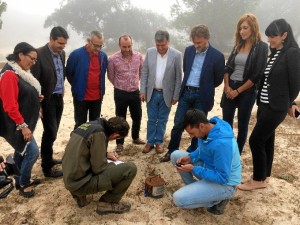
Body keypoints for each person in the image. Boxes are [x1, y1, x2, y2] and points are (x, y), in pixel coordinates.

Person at [238, 19, 300, 191]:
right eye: (268, 37)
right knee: (267, 140)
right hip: (264, 104)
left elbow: (295, 83)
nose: (269, 40)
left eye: (273, 37)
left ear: (284, 35)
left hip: (276, 106)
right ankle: (264, 176)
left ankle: (257, 179)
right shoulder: (275, 53)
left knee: (255, 140)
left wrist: (289, 102)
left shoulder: (293, 53)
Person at [160, 24, 225, 162]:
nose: (196, 45)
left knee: (198, 127)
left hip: (202, 95)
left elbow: (218, 79)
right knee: (178, 123)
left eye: (199, 42)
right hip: (186, 92)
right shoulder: (189, 51)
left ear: (207, 38)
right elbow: (186, 69)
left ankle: (193, 153)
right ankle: (172, 152)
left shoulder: (217, 56)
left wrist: (205, 86)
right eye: (194, 42)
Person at [171, 109, 241, 215]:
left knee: (178, 199)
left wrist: (194, 168)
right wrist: (190, 157)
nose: (191, 136)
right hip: (210, 168)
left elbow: (222, 177)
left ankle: (215, 200)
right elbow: (202, 149)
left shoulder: (221, 145)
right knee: (175, 155)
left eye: (192, 133)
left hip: (225, 184)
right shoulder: (208, 130)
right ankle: (199, 190)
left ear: (201, 126)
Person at [62, 116, 137, 215]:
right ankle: (107, 203)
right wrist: (114, 165)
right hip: (79, 184)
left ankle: (79, 196)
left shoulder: (89, 126)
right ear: (115, 135)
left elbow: (83, 150)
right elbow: (98, 168)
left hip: (69, 179)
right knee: (130, 168)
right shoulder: (99, 134)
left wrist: (105, 154)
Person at [0, 42, 43, 197]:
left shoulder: (19, 72)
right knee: (32, 152)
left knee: (20, 151)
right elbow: (10, 105)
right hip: (16, 123)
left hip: (21, 121)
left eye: (35, 60)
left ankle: (19, 179)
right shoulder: (9, 74)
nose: (33, 62)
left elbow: (21, 92)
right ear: (20, 55)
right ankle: (24, 183)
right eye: (31, 58)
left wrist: (35, 99)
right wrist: (23, 126)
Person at [221, 13, 268, 154]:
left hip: (247, 91)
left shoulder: (262, 47)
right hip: (231, 87)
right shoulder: (237, 46)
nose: (242, 31)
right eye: (240, 28)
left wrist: (238, 91)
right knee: (226, 124)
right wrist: (227, 87)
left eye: (245, 28)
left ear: (253, 28)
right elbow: (227, 67)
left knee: (242, 125)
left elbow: (257, 75)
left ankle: (236, 154)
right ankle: (227, 152)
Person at [31, 26, 69, 178]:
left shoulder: (62, 54)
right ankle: (47, 167)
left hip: (59, 97)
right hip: (46, 99)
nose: (62, 47)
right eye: (60, 43)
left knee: (53, 130)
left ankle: (49, 158)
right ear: (51, 39)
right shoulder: (38, 54)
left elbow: (61, 74)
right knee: (50, 131)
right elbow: (33, 81)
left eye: (64, 44)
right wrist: (38, 104)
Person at [140, 30, 182, 154]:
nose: (160, 48)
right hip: (151, 92)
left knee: (163, 119)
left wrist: (176, 95)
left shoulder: (177, 55)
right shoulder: (150, 52)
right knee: (151, 119)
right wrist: (142, 90)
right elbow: (145, 72)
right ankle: (150, 142)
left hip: (167, 94)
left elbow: (179, 77)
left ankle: (159, 142)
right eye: (158, 45)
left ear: (168, 41)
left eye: (163, 45)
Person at [108, 35, 145, 152]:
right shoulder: (113, 59)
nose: (127, 49)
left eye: (129, 46)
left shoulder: (139, 56)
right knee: (120, 119)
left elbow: (141, 73)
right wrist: (120, 85)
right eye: (124, 46)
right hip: (120, 93)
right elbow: (110, 75)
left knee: (137, 116)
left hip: (135, 92)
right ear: (119, 46)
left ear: (132, 44)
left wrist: (134, 84)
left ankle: (135, 137)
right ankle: (120, 143)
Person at [66, 31, 108, 130]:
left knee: (95, 125)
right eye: (96, 45)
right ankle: (79, 144)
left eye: (100, 46)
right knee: (80, 125)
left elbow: (103, 73)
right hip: (81, 97)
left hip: (97, 97)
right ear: (88, 41)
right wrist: (77, 85)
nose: (98, 49)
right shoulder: (76, 55)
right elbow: (69, 73)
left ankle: (92, 144)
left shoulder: (103, 56)